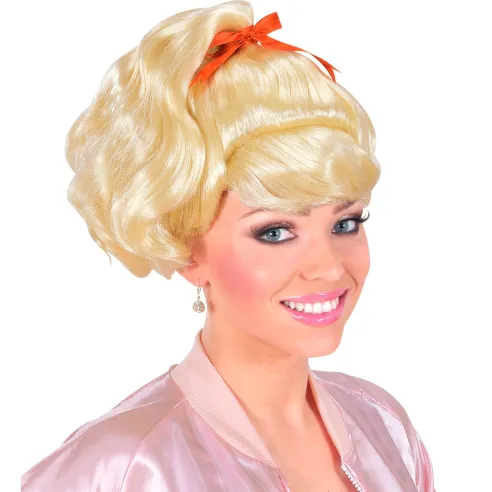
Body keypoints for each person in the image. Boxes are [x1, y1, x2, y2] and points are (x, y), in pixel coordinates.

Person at [21, 1, 435, 491]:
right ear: (186, 249)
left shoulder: (383, 425)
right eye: (275, 231)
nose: (328, 268)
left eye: (345, 223)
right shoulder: (122, 468)